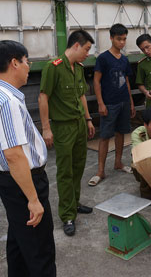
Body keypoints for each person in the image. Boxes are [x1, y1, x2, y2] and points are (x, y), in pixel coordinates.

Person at [0, 41, 56, 276]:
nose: (28, 66)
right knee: (39, 251)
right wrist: (33, 198)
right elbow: (13, 155)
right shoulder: (7, 102)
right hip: (24, 183)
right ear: (14, 63)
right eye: (26, 61)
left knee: (20, 245)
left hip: (12, 182)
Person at [39, 30, 96, 237]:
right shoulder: (53, 68)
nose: (88, 54)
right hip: (63, 127)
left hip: (79, 124)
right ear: (76, 46)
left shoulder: (78, 68)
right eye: (87, 49)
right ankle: (67, 215)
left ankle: (75, 203)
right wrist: (46, 128)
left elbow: (81, 95)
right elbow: (43, 97)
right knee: (65, 171)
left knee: (78, 166)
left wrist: (88, 119)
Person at [89, 24, 135, 187]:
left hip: (123, 101)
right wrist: (100, 103)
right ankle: (100, 171)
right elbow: (96, 81)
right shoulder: (103, 58)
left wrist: (130, 102)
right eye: (118, 39)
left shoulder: (124, 59)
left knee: (121, 133)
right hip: (109, 103)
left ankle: (118, 163)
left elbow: (127, 81)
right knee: (105, 136)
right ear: (111, 38)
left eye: (124, 39)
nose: (122, 42)